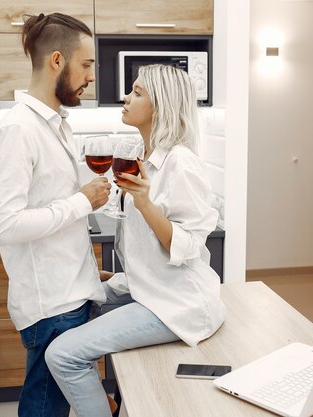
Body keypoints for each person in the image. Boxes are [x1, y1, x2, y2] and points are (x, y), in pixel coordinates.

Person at [45, 64, 226, 417]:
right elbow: (147, 255)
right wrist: (116, 280)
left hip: (179, 306)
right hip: (154, 292)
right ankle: (113, 398)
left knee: (62, 355)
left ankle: (107, 408)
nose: (125, 97)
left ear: (160, 106)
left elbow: (189, 245)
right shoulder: (140, 159)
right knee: (81, 305)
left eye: (138, 93)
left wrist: (144, 203)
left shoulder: (180, 165)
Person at [0, 12, 111, 417]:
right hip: (51, 306)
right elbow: (5, 225)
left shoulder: (58, 125)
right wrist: (82, 202)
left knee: (52, 404)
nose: (91, 76)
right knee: (43, 408)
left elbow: (52, 212)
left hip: (70, 293)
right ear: (57, 60)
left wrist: (90, 271)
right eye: (86, 64)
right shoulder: (19, 130)